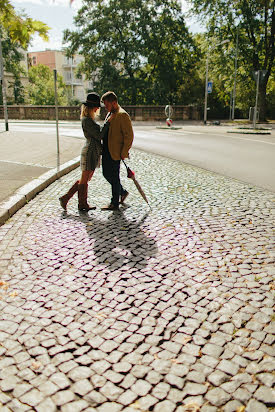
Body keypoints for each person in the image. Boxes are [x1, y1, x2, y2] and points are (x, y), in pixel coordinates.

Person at [59, 92, 112, 212]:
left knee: (85, 179)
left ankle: (67, 199)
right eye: (97, 106)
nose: (98, 108)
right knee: (84, 179)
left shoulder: (89, 119)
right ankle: (79, 203)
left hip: (92, 151)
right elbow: (99, 135)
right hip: (90, 152)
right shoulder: (87, 120)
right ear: (92, 107)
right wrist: (107, 123)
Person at [101, 91, 134, 211]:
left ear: (114, 102)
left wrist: (124, 152)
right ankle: (122, 191)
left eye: (106, 104)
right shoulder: (110, 113)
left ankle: (114, 203)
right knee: (106, 174)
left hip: (115, 152)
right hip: (106, 150)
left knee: (114, 177)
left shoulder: (122, 115)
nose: (105, 107)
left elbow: (129, 136)